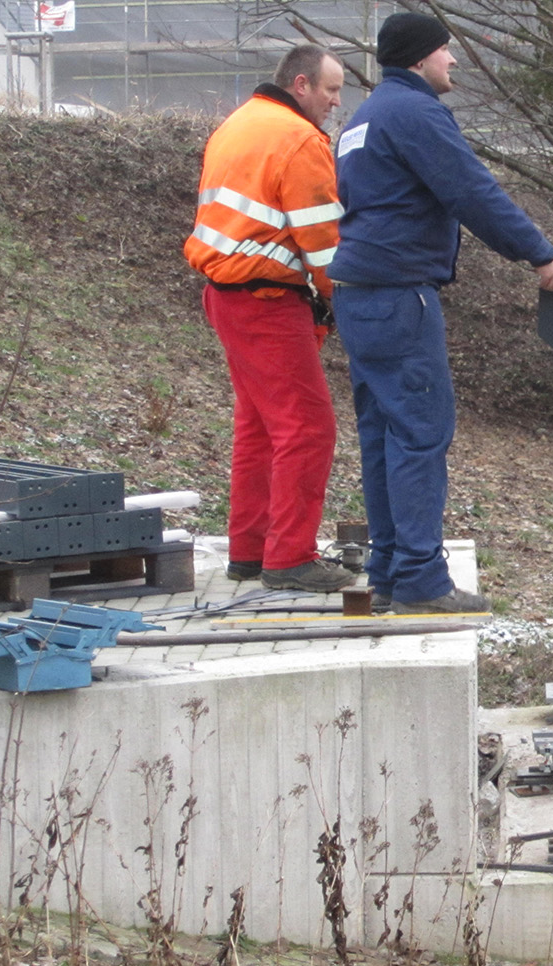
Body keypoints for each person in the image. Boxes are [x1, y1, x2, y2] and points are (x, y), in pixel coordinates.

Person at [330, 12, 553, 615]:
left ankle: (387, 566)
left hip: (359, 293)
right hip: (397, 295)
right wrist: (538, 253)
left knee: (384, 435)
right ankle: (418, 580)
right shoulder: (414, 113)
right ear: (419, 59)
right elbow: (470, 189)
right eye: (446, 51)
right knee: (419, 433)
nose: (454, 61)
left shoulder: (362, 118)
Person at [184, 44, 355, 593]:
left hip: (226, 295)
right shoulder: (300, 139)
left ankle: (250, 551)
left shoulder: (239, 124)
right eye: (330, 89)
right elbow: (324, 245)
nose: (334, 102)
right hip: (266, 303)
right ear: (300, 84)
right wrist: (342, 303)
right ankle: (290, 559)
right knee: (307, 428)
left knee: (259, 428)